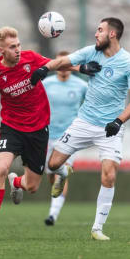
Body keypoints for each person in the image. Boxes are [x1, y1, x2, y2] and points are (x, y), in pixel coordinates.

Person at [0, 26, 100, 238]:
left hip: (38, 129)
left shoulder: (30, 58)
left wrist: (82, 68)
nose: (18, 50)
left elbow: (57, 64)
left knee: (31, 186)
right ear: (1, 50)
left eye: (19, 45)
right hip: (11, 128)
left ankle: (16, 181)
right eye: (12, 47)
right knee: (1, 167)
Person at [30, 17, 130, 241]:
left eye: (100, 30)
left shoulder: (129, 63)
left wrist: (118, 121)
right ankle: (63, 172)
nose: (95, 34)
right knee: (52, 165)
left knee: (109, 175)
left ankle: (97, 228)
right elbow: (63, 61)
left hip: (110, 128)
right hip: (83, 123)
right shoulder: (91, 52)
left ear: (112, 34)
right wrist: (44, 69)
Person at [42, 51, 88, 226]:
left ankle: (53, 214)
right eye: (60, 63)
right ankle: (58, 182)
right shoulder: (46, 84)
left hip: (70, 136)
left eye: (67, 64)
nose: (64, 67)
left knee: (63, 172)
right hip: (47, 136)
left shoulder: (80, 85)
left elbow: (90, 104)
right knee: (52, 175)